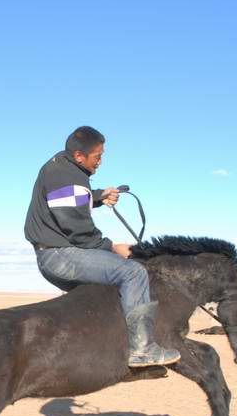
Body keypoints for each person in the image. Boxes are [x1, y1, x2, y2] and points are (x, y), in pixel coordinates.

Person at [24, 126, 180, 367]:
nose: (100, 162)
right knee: (133, 272)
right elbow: (78, 230)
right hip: (60, 255)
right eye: (97, 157)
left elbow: (69, 200)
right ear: (79, 156)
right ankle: (142, 350)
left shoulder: (62, 166)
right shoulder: (67, 176)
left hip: (55, 252)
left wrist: (98, 196)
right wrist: (112, 247)